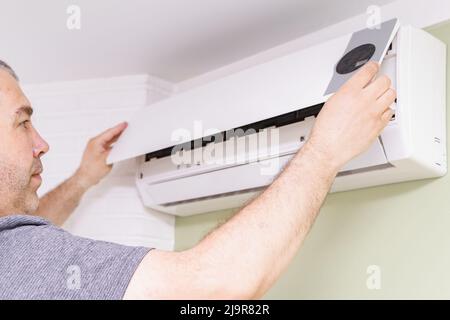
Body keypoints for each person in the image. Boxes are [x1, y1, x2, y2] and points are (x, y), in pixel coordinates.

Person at [0, 59, 395, 299]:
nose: (42, 143)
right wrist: (325, 150)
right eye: (23, 123)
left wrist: (82, 180)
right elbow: (212, 288)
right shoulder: (17, 253)